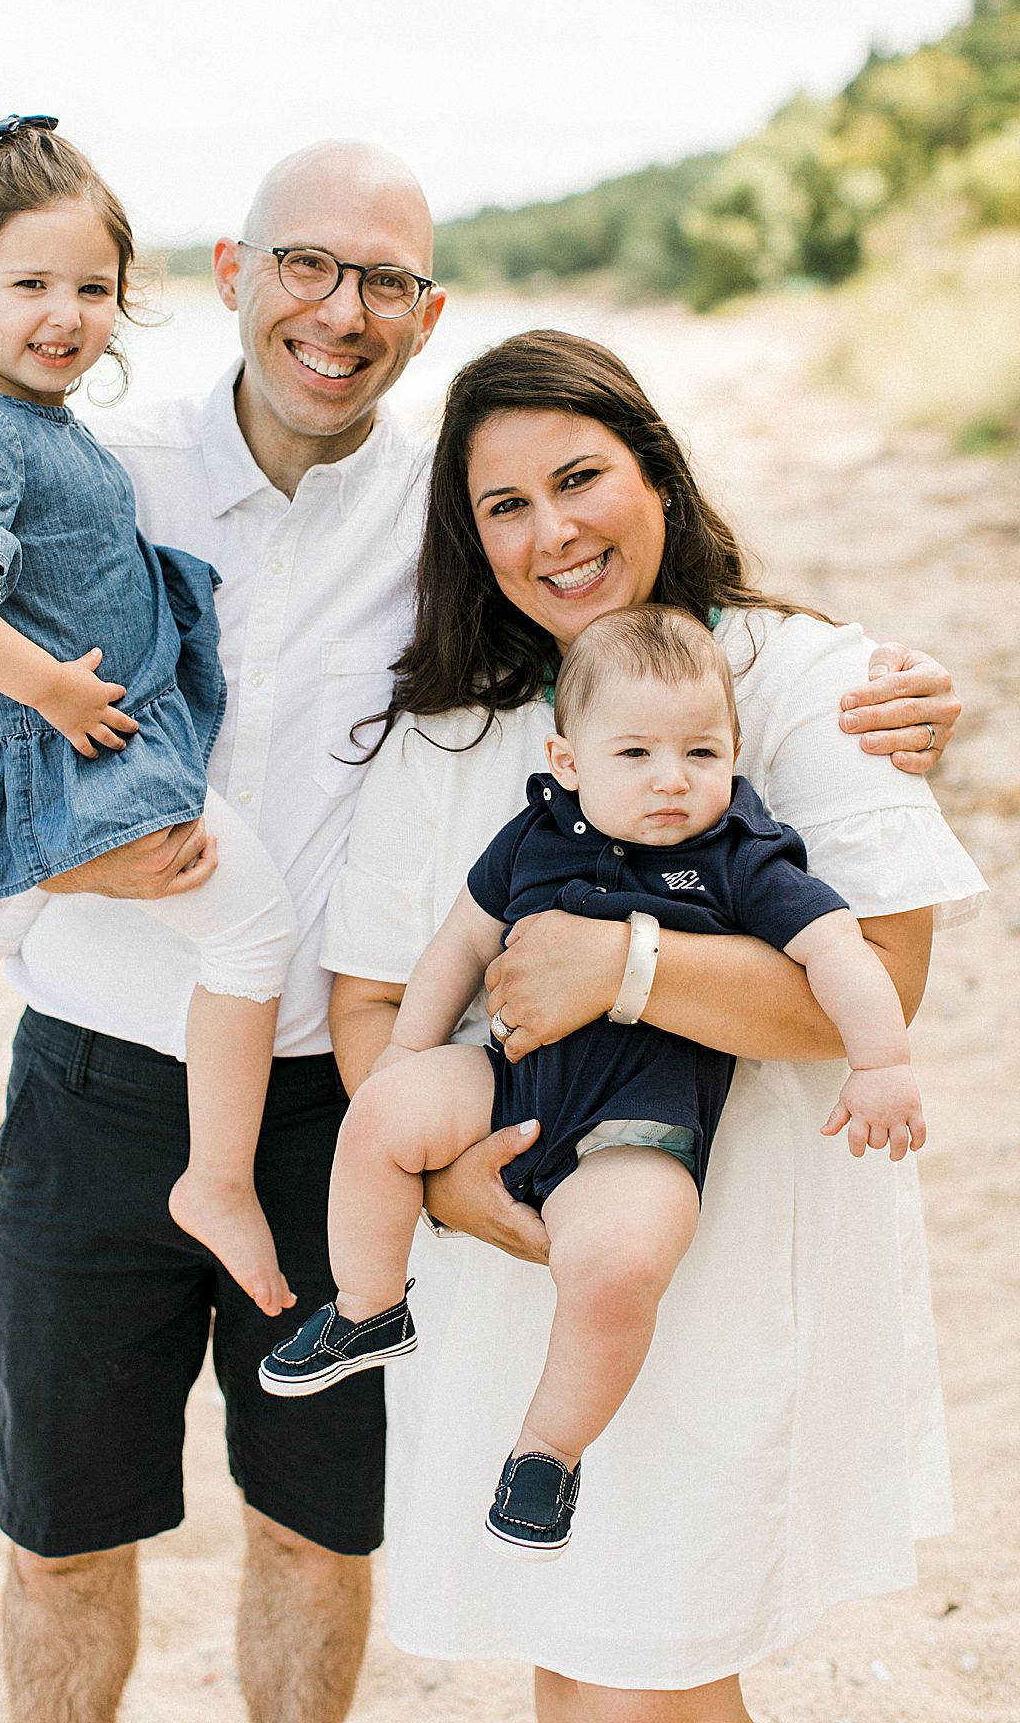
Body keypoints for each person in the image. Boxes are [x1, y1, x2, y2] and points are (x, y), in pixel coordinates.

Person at [0, 140, 962, 1723]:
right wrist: (57, 864)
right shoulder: (98, 472)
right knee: (60, 1535)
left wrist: (904, 695)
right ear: (232, 278)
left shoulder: (445, 518)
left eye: (384, 280)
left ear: (426, 309)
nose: (341, 311)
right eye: (305, 266)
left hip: (340, 1097)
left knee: (320, 1537)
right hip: (97, 1079)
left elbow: (654, 640)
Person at [322, 330, 984, 1719]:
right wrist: (444, 1182)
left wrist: (618, 965)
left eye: (580, 478)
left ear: (659, 481)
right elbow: (378, 996)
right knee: (581, 1673)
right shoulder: (455, 730)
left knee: (655, 1678)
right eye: (505, 506)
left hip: (722, 1258)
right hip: (510, 1281)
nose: (551, 530)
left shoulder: (801, 679)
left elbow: (884, 982)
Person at [263, 604, 924, 1559]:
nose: (672, 780)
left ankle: (547, 1453)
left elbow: (841, 956)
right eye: (636, 755)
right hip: (507, 1079)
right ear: (571, 762)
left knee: (617, 1272)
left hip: (639, 1128)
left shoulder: (742, 856)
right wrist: (408, 1052)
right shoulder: (536, 834)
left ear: (734, 753)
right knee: (379, 1113)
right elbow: (459, 942)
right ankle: (368, 1308)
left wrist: (883, 1062)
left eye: (702, 753)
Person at [0, 111, 297, 1315]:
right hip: (68, 746)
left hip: (68, 736)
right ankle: (215, 1178)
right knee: (253, 930)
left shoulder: (35, 425)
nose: (67, 314)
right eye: (31, 285)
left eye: (92, 287)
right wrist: (46, 687)